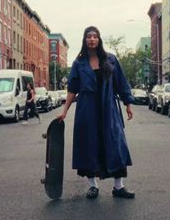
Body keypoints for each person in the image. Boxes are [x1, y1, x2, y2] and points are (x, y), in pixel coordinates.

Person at [57, 26, 135, 199]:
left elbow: (121, 82)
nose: (92, 39)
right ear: (84, 40)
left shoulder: (111, 59)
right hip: (87, 110)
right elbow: (72, 89)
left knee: (116, 143)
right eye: (89, 36)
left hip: (109, 108)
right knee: (88, 145)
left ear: (99, 40)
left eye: (95, 36)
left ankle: (118, 186)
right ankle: (93, 186)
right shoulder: (79, 63)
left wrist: (128, 103)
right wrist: (64, 111)